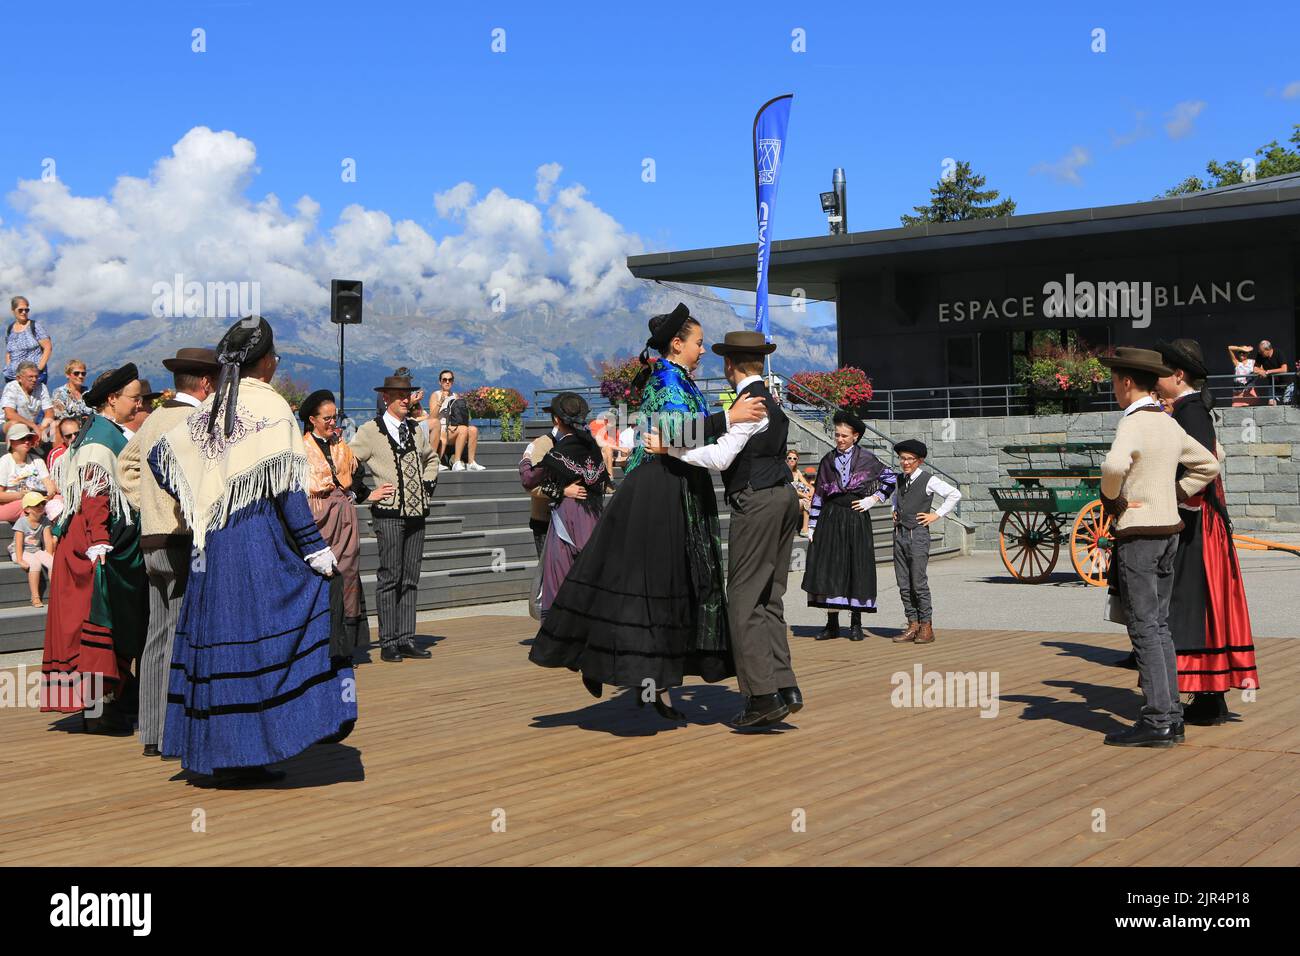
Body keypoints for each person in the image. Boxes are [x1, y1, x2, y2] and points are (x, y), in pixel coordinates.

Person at [529, 304, 766, 719]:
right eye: (696, 342)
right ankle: (614, 664)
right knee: (653, 587)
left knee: (659, 589)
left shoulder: (678, 379)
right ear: (677, 344)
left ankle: (654, 685)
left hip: (674, 484)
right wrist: (729, 416)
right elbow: (673, 434)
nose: (702, 350)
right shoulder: (668, 378)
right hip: (659, 488)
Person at [148, 317, 356, 783]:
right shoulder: (272, 407)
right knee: (265, 642)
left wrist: (200, 495)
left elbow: (161, 458)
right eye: (275, 355)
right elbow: (287, 491)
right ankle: (253, 750)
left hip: (212, 544)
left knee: (219, 641)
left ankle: (220, 752)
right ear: (266, 361)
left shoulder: (213, 404)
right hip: (258, 540)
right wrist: (313, 547)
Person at [649, 329, 803, 728]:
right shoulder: (771, 399)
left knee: (743, 601)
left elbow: (721, 456)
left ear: (729, 364)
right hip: (784, 497)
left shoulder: (749, 402)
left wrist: (672, 450)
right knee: (769, 597)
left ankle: (762, 697)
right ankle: (784, 686)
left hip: (758, 500)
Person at [1099, 347, 1220, 748]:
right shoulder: (1167, 422)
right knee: (1160, 626)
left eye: (1114, 380)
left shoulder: (1133, 422)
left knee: (1144, 626)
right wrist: (1174, 493)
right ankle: (1171, 715)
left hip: (1140, 535)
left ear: (1128, 382)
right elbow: (1209, 463)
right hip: (1169, 531)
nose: (1113, 387)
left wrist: (1111, 499)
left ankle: (1157, 721)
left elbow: (1113, 467)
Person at [117, 348, 219, 760]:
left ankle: (153, 731)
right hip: (181, 539)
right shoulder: (196, 421)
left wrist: (147, 503)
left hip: (152, 539)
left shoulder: (155, 417)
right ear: (207, 384)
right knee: (181, 634)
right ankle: (173, 732)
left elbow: (125, 467)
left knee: (156, 635)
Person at [1154, 339, 1260, 726]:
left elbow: (1204, 468)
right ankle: (1208, 694)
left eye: (1162, 372)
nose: (1157, 380)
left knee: (1197, 603)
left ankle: (1209, 695)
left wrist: (1174, 499)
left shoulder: (1191, 412)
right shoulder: (1189, 409)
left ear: (1178, 375)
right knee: (1198, 603)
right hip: (1201, 520)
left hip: (1198, 521)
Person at [40, 364, 148, 734]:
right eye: (133, 398)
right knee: (98, 624)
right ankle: (100, 712)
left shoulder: (106, 431)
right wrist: (99, 541)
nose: (138, 404)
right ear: (112, 399)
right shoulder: (101, 438)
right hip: (91, 545)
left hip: (94, 541)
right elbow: (94, 493)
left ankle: (110, 704)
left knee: (106, 624)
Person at [349, 373, 440, 663]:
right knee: (390, 576)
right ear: (386, 398)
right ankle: (388, 641)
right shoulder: (370, 431)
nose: (405, 399)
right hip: (388, 514)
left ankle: (406, 638)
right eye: (399, 395)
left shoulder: (415, 430)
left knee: (410, 577)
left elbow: (432, 459)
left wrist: (426, 487)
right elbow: (347, 462)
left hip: (416, 514)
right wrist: (365, 493)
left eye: (408, 394)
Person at [302, 388, 383, 666]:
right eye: (327, 418)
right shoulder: (301, 447)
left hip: (344, 516)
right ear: (312, 419)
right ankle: (319, 642)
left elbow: (356, 472)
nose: (333, 422)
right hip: (318, 515)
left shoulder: (340, 445)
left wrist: (362, 494)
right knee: (324, 573)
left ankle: (345, 647)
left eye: (334, 417)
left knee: (348, 572)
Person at [803, 412, 897, 641]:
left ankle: (856, 623)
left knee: (857, 567)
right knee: (830, 568)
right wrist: (812, 525)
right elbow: (819, 494)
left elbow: (891, 479)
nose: (840, 439)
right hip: (831, 517)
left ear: (855, 436)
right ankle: (832, 623)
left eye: (845, 435)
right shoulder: (827, 460)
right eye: (837, 435)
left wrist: (872, 499)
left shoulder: (867, 459)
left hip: (855, 517)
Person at [519, 393, 609, 621]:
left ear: (557, 419)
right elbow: (601, 481)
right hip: (585, 519)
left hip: (567, 522)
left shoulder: (562, 448)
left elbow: (529, 480)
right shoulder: (590, 445)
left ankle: (559, 635)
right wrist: (564, 490)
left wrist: (526, 460)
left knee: (559, 577)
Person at [890, 439, 962, 645]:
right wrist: (894, 510)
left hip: (917, 535)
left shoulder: (928, 479)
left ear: (920, 461)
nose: (905, 462)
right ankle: (912, 624)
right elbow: (896, 497)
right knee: (903, 583)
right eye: (902, 458)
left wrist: (936, 515)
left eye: (909, 459)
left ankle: (926, 626)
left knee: (918, 582)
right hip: (900, 533)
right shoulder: (900, 479)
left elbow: (954, 494)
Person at [0, 423, 57, 522]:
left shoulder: (37, 460)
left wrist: (47, 496)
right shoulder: (5, 461)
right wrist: (23, 495)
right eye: (22, 439)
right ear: (12, 442)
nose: (26, 442)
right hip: (10, 505)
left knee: (58, 499)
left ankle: (54, 535)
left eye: (29, 438)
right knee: (28, 506)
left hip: (38, 502)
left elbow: (49, 486)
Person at [431, 369, 486, 471]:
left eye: (450, 380)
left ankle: (471, 462)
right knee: (463, 429)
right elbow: (432, 418)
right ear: (440, 382)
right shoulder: (436, 395)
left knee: (473, 430)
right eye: (444, 380)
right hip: (441, 429)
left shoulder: (455, 396)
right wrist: (441, 402)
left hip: (454, 427)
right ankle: (456, 462)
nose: (447, 382)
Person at [9, 491, 54, 607]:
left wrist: (49, 555)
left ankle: (55, 594)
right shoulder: (22, 522)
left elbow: (48, 540)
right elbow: (18, 543)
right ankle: (35, 597)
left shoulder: (45, 521)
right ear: (27, 509)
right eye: (36, 505)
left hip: (36, 549)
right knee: (35, 564)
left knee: (53, 563)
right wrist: (19, 560)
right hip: (19, 551)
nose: (40, 507)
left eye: (42, 504)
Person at [2, 361, 55, 443]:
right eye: (30, 377)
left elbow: (49, 412)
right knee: (16, 426)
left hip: (31, 426)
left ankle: (53, 454)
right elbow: (9, 414)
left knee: (55, 425)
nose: (34, 380)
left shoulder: (41, 387)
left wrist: (42, 428)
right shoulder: (11, 387)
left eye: (36, 377)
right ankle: (14, 453)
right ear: (19, 378)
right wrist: (33, 426)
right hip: (7, 425)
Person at [4, 296, 51, 385]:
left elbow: (48, 348)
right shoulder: (10, 329)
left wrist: (39, 369)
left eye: (26, 310)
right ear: (13, 310)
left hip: (33, 379)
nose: (24, 312)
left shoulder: (35, 326)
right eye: (20, 310)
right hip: (13, 378)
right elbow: (8, 352)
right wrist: (8, 367)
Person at [1253, 340, 1290, 406]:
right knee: (1271, 403)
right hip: (1273, 384)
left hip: (1286, 384)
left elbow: (1284, 369)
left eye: (1261, 351)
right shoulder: (1260, 355)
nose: (1260, 352)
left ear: (1268, 349)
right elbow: (1255, 369)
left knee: (1287, 404)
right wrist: (1262, 371)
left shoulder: (1279, 353)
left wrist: (1269, 371)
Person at [787, 449, 814, 535]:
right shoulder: (783, 472)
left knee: (808, 501)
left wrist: (812, 490)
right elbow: (790, 489)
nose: (792, 460)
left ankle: (805, 529)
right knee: (807, 500)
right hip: (788, 500)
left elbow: (807, 485)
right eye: (790, 458)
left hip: (798, 500)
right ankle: (805, 529)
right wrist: (805, 495)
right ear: (786, 459)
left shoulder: (797, 472)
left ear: (797, 460)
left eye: (794, 458)